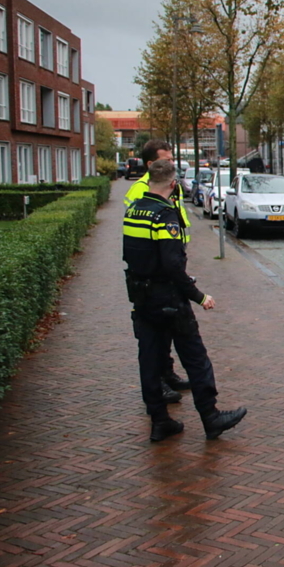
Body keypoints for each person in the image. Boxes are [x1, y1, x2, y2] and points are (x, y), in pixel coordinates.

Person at [123, 159, 247, 442]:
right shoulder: (163, 216)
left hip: (142, 298)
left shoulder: (133, 211)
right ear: (172, 183)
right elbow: (172, 266)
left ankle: (159, 421)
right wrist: (199, 296)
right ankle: (211, 417)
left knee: (150, 360)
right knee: (195, 358)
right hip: (169, 299)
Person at [124, 140, 192, 403]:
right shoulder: (141, 189)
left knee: (168, 323)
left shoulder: (171, 183)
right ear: (151, 164)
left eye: (173, 159)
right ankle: (158, 384)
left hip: (171, 258)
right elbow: (140, 230)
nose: (172, 163)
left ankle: (168, 374)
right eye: (167, 159)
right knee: (154, 330)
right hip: (155, 271)